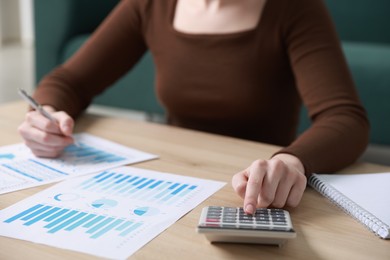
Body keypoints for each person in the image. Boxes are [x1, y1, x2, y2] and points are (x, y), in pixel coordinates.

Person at [18, 0, 369, 214]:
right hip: (176, 184)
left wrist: (292, 160)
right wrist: (46, 113)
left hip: (255, 194)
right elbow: (70, 81)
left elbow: (346, 118)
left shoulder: (293, 7)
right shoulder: (152, 3)